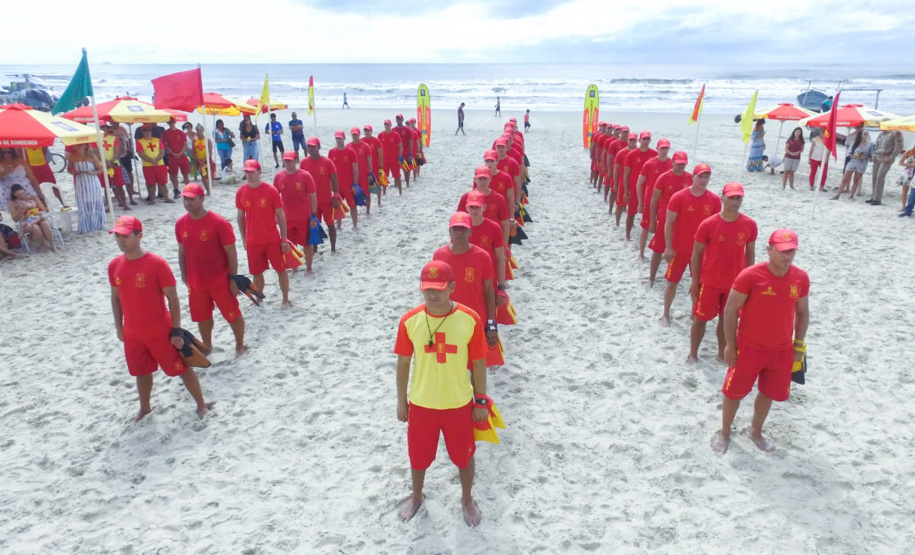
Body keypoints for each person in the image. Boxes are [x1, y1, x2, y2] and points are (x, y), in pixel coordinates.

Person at [394, 260, 489, 527]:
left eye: (439, 288)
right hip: (422, 403)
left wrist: (481, 400)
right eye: (427, 288)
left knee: (464, 455)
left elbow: (479, 363)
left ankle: (467, 498)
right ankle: (416, 495)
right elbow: (403, 363)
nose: (432, 294)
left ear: (452, 287)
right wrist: (401, 401)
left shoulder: (470, 319)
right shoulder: (410, 320)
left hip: (458, 403)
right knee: (418, 455)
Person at [712, 229, 809, 454]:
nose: (787, 256)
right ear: (769, 250)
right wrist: (730, 345)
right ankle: (724, 432)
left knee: (768, 393)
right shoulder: (750, 276)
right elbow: (730, 310)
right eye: (782, 251)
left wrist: (799, 344)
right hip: (748, 348)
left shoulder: (800, 278)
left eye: (791, 251)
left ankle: (755, 432)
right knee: (733, 393)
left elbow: (803, 312)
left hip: (781, 351)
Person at [109, 215, 209, 422]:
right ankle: (145, 408)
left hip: (160, 331)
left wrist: (176, 330)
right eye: (117, 236)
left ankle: (201, 404)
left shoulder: (157, 264)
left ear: (139, 236)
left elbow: (173, 298)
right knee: (141, 372)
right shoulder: (114, 265)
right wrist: (119, 327)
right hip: (133, 334)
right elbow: (115, 298)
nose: (121, 240)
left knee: (182, 369)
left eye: (125, 236)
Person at [688, 182, 757, 363]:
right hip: (710, 281)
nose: (735, 201)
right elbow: (696, 253)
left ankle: (721, 354)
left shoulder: (749, 224)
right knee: (700, 318)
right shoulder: (708, 224)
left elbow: (750, 253)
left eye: (738, 198)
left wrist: (748, 282)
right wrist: (695, 280)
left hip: (735, 284)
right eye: (731, 197)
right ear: (722, 198)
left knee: (727, 319)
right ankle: (693, 353)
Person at [176, 183, 246, 355]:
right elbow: (182, 251)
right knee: (203, 318)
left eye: (191, 199)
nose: (187, 203)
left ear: (202, 199)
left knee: (232, 315)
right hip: (196, 283)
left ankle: (240, 345)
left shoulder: (219, 223)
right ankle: (207, 346)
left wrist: (233, 279)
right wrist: (184, 275)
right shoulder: (180, 224)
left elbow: (231, 252)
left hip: (220, 280)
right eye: (185, 199)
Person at [433, 212, 502, 367]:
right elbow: (435, 290)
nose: (459, 232)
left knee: (476, 368)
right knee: (450, 366)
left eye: (463, 229)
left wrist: (491, 323)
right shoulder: (439, 255)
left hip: (475, 320)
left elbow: (489, 291)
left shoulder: (483, 256)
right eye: (455, 228)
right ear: (449, 231)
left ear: (470, 232)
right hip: (447, 319)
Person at [661, 163, 721, 326]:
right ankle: (666, 314)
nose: (703, 180)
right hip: (679, 250)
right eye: (700, 176)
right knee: (672, 283)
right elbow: (669, 222)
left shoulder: (714, 200)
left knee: (698, 286)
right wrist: (669, 247)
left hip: (701, 253)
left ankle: (694, 315)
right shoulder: (679, 197)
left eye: (706, 176)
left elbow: (716, 228)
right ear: (693, 177)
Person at [235, 160, 291, 308]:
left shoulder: (271, 191)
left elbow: (281, 215)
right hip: (253, 241)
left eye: (252, 172)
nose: (249, 175)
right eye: (247, 172)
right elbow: (240, 216)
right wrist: (243, 238)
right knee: (256, 273)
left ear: (259, 173)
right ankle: (259, 300)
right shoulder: (241, 192)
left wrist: (284, 238)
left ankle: (285, 299)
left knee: (281, 270)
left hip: (272, 239)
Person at [648, 151, 692, 287]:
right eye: (678, 163)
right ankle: (651, 278)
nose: (680, 166)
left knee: (678, 251)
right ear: (672, 162)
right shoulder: (664, 178)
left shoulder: (690, 178)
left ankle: (671, 277)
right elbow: (654, 200)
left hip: (682, 222)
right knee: (658, 249)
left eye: (683, 164)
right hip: (664, 219)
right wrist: (652, 220)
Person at [274, 151, 317, 273]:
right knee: (290, 244)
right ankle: (294, 268)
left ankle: (309, 268)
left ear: (296, 161)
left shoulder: (305, 176)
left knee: (307, 243)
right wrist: (275, 216)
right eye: (286, 161)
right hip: (286, 218)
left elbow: (313, 196)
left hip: (304, 216)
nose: (288, 163)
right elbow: (274, 198)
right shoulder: (278, 177)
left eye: (290, 160)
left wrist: (313, 215)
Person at [299, 137, 339, 252]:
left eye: (313, 146)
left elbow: (335, 181)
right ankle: (315, 249)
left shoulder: (327, 162)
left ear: (319, 147)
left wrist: (335, 196)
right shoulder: (304, 163)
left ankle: (333, 247)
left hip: (326, 200)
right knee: (313, 226)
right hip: (311, 202)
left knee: (330, 224)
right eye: (309, 147)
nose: (311, 149)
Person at [636, 138, 671, 261]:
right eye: (662, 148)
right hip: (650, 201)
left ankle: (662, 252)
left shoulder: (672, 164)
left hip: (665, 203)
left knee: (665, 228)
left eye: (666, 148)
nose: (664, 151)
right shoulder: (650, 164)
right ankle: (641, 253)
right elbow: (639, 183)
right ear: (657, 148)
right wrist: (640, 202)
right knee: (646, 227)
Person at [623, 131, 658, 242]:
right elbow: (626, 174)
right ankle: (627, 235)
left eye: (648, 139)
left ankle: (652, 237)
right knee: (631, 213)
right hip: (634, 189)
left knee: (653, 215)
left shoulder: (655, 154)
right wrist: (626, 191)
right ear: (640, 140)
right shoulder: (632, 154)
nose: (646, 141)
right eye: (644, 139)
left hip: (650, 190)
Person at [67, 143, 107, 232]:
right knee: (83, 202)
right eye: (77, 145)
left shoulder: (91, 156)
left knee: (94, 201)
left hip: (92, 181)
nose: (77, 146)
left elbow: (100, 169)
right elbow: (69, 169)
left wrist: (92, 173)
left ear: (85, 146)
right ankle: (85, 225)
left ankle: (97, 224)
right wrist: (75, 173)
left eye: (80, 145)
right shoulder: (72, 156)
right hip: (80, 181)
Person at [8, 184, 57, 252]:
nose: (22, 196)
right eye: (19, 195)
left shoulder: (33, 198)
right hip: (26, 220)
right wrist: (20, 210)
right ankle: (43, 244)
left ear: (25, 191)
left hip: (38, 216)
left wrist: (35, 212)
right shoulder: (13, 203)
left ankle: (52, 245)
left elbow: (43, 210)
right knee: (35, 227)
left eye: (23, 193)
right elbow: (15, 219)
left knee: (44, 223)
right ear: (14, 195)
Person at [328, 130, 359, 229]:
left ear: (344, 139)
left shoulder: (350, 152)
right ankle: (338, 226)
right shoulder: (331, 152)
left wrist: (355, 184)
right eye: (337, 138)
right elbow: (329, 170)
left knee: (352, 205)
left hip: (348, 184)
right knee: (337, 205)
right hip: (337, 185)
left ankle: (355, 225)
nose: (338, 140)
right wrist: (330, 184)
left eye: (340, 138)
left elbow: (355, 169)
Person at [832, 130, 874, 201]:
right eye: (865, 133)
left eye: (867, 133)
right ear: (861, 134)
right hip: (853, 161)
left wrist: (866, 157)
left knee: (856, 180)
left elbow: (870, 154)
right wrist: (858, 156)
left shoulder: (870, 144)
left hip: (862, 163)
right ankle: (837, 195)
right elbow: (849, 153)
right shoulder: (855, 142)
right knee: (845, 179)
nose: (866, 134)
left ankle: (851, 196)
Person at [868, 129, 904, 205]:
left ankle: (877, 198)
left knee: (880, 176)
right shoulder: (881, 134)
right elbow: (877, 146)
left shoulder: (895, 133)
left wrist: (891, 156)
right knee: (874, 176)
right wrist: (874, 155)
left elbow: (899, 146)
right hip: (878, 156)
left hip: (886, 156)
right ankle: (874, 196)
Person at [135, 125, 170, 205]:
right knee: (151, 183)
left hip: (160, 164)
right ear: (142, 132)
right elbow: (141, 154)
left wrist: (156, 160)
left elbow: (162, 151)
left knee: (163, 182)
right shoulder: (140, 142)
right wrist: (151, 160)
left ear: (151, 132)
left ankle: (167, 198)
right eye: (145, 131)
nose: (147, 133)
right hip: (148, 166)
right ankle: (152, 199)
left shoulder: (157, 140)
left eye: (149, 131)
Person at [100, 123, 130, 211]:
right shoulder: (96, 139)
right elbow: (96, 152)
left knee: (120, 185)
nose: (103, 129)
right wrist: (106, 162)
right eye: (102, 127)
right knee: (107, 187)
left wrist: (111, 162)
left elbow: (117, 152)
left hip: (114, 164)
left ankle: (124, 204)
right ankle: (110, 206)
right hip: (104, 164)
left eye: (105, 127)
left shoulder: (113, 138)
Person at [612, 133, 637, 223]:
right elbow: (616, 169)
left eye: (634, 140)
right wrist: (615, 184)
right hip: (622, 183)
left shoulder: (639, 153)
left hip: (634, 184)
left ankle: (630, 223)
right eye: (631, 140)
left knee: (632, 206)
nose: (632, 142)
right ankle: (617, 222)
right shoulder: (621, 153)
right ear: (627, 140)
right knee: (620, 204)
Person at [163, 117, 190, 199]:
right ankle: (176, 190)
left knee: (185, 174)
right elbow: (166, 146)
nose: (171, 123)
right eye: (170, 122)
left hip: (182, 155)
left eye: (172, 121)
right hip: (172, 156)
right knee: (173, 174)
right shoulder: (166, 133)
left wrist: (180, 153)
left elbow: (185, 144)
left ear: (175, 122)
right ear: (167, 123)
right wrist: (173, 153)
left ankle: (188, 190)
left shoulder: (181, 133)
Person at [112, 121, 139, 204]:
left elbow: (128, 140)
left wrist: (131, 150)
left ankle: (131, 196)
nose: (115, 123)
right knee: (115, 178)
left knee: (129, 174)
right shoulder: (109, 131)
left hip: (125, 155)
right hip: (114, 156)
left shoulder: (122, 129)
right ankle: (120, 200)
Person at [349, 127, 373, 216]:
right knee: (353, 195)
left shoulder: (365, 146)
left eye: (356, 134)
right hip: (353, 176)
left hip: (364, 174)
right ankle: (355, 213)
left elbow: (369, 161)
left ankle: (368, 211)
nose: (355, 136)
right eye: (353, 135)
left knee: (367, 194)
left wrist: (370, 173)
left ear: (359, 135)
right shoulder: (348, 146)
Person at [378, 119, 404, 196]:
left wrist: (400, 157)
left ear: (390, 125)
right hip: (384, 160)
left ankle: (400, 192)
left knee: (397, 176)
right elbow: (378, 148)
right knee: (384, 177)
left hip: (394, 160)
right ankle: (384, 192)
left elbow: (400, 147)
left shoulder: (395, 135)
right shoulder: (380, 135)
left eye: (388, 124)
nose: (386, 126)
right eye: (385, 124)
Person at [362, 124, 384, 207]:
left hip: (375, 166)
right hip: (365, 167)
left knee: (377, 184)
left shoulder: (376, 141)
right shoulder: (361, 141)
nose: (366, 132)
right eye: (365, 131)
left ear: (371, 131)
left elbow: (380, 154)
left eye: (368, 131)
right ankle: (367, 203)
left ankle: (379, 200)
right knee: (366, 186)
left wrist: (381, 166)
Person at [192, 125, 215, 195]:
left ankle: (210, 189)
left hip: (206, 161)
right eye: (197, 130)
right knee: (203, 176)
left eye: (200, 130)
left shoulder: (207, 140)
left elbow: (210, 152)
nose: (199, 132)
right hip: (199, 161)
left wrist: (203, 160)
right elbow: (193, 152)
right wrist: (199, 161)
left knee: (208, 175)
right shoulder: (194, 141)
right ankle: (208, 191)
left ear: (203, 130)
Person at [393, 114, 414, 187]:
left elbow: (411, 142)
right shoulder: (393, 130)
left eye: (399, 119)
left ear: (402, 120)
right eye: (397, 119)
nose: (398, 120)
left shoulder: (407, 130)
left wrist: (410, 153)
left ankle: (407, 184)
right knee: (396, 170)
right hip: (396, 154)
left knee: (406, 170)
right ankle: (396, 185)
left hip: (406, 153)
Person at [897, 147, 915, 214]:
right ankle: (903, 206)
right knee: (904, 191)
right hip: (908, 172)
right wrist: (910, 165)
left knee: (913, 192)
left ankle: (910, 207)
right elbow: (900, 162)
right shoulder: (909, 152)